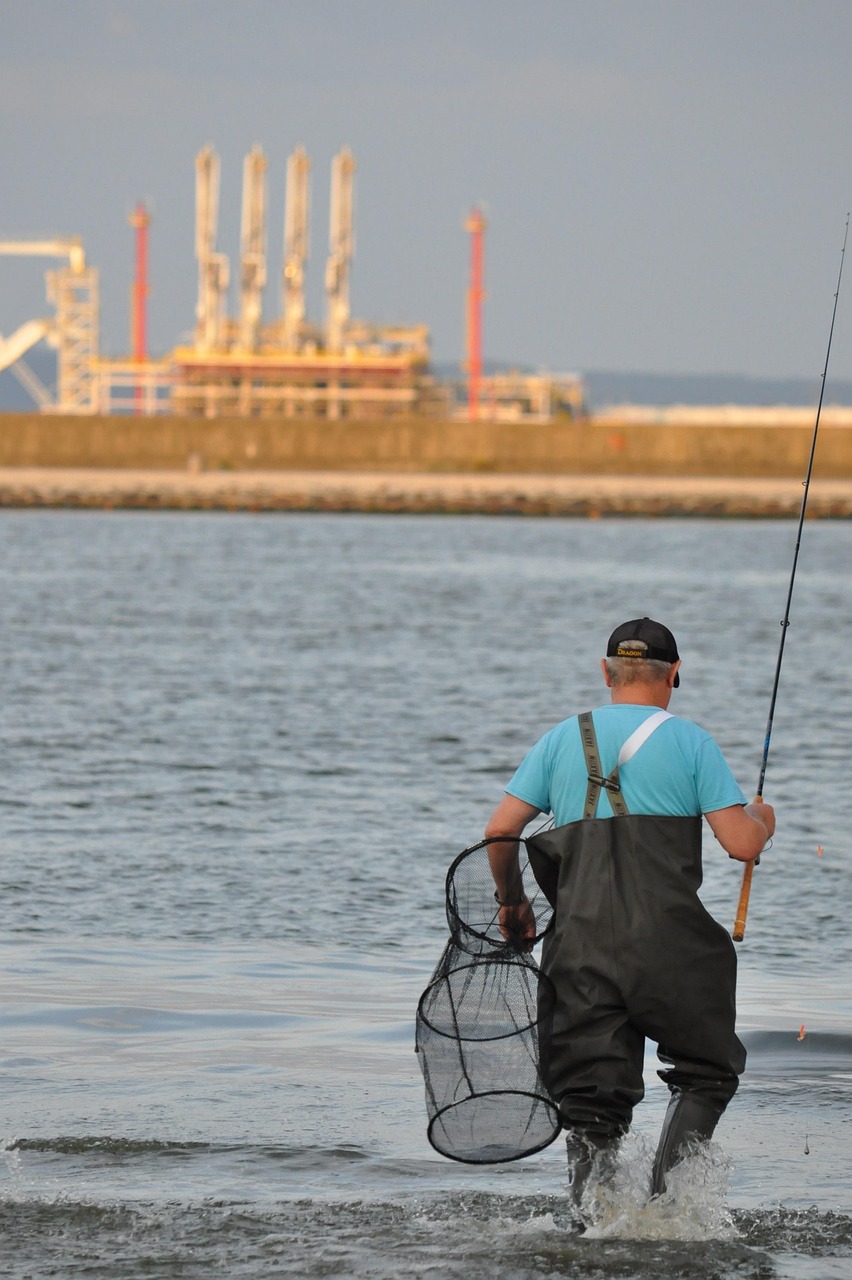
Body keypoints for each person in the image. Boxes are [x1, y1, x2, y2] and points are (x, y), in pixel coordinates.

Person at [484, 617, 775, 1213]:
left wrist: (512, 902)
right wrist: (763, 818)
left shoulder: (562, 738)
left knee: (591, 1100)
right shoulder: (691, 741)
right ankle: (666, 1212)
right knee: (706, 1072)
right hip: (673, 950)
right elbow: (742, 843)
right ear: (675, 674)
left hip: (580, 950)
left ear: (605, 673)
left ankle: (595, 1223)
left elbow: (500, 831)